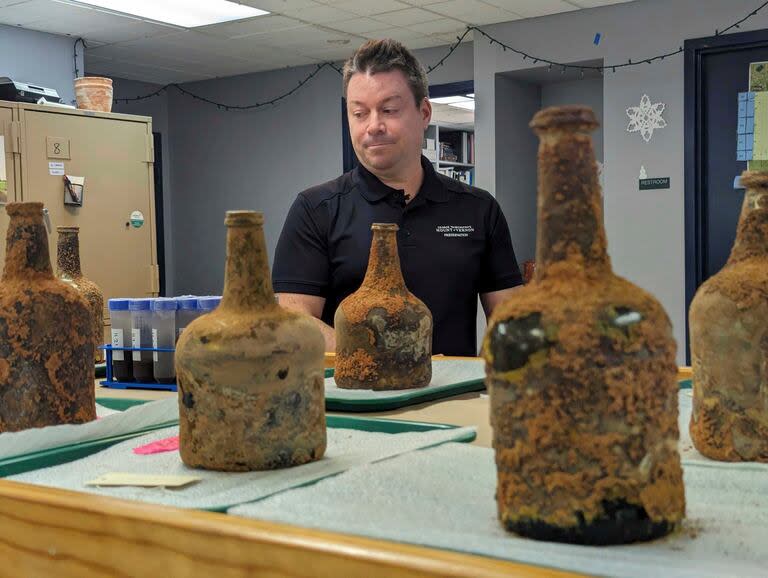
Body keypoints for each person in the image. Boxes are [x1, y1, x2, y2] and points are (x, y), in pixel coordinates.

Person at [272, 38, 522, 356]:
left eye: (389, 110)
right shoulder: (315, 210)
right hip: (353, 403)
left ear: (424, 112)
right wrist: (387, 361)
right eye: (359, 114)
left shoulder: (479, 209)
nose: (373, 126)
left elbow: (510, 321)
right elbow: (295, 322)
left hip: (454, 401)